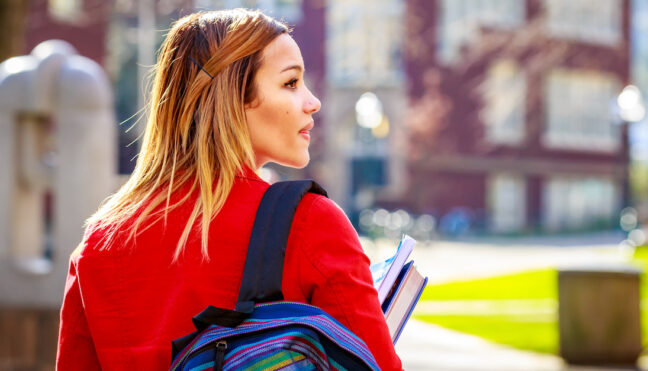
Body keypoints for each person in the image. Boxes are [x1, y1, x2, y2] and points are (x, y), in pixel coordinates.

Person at [56, 9, 403, 371]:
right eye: (291, 83)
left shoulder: (99, 244)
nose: (312, 101)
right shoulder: (310, 223)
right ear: (234, 97)